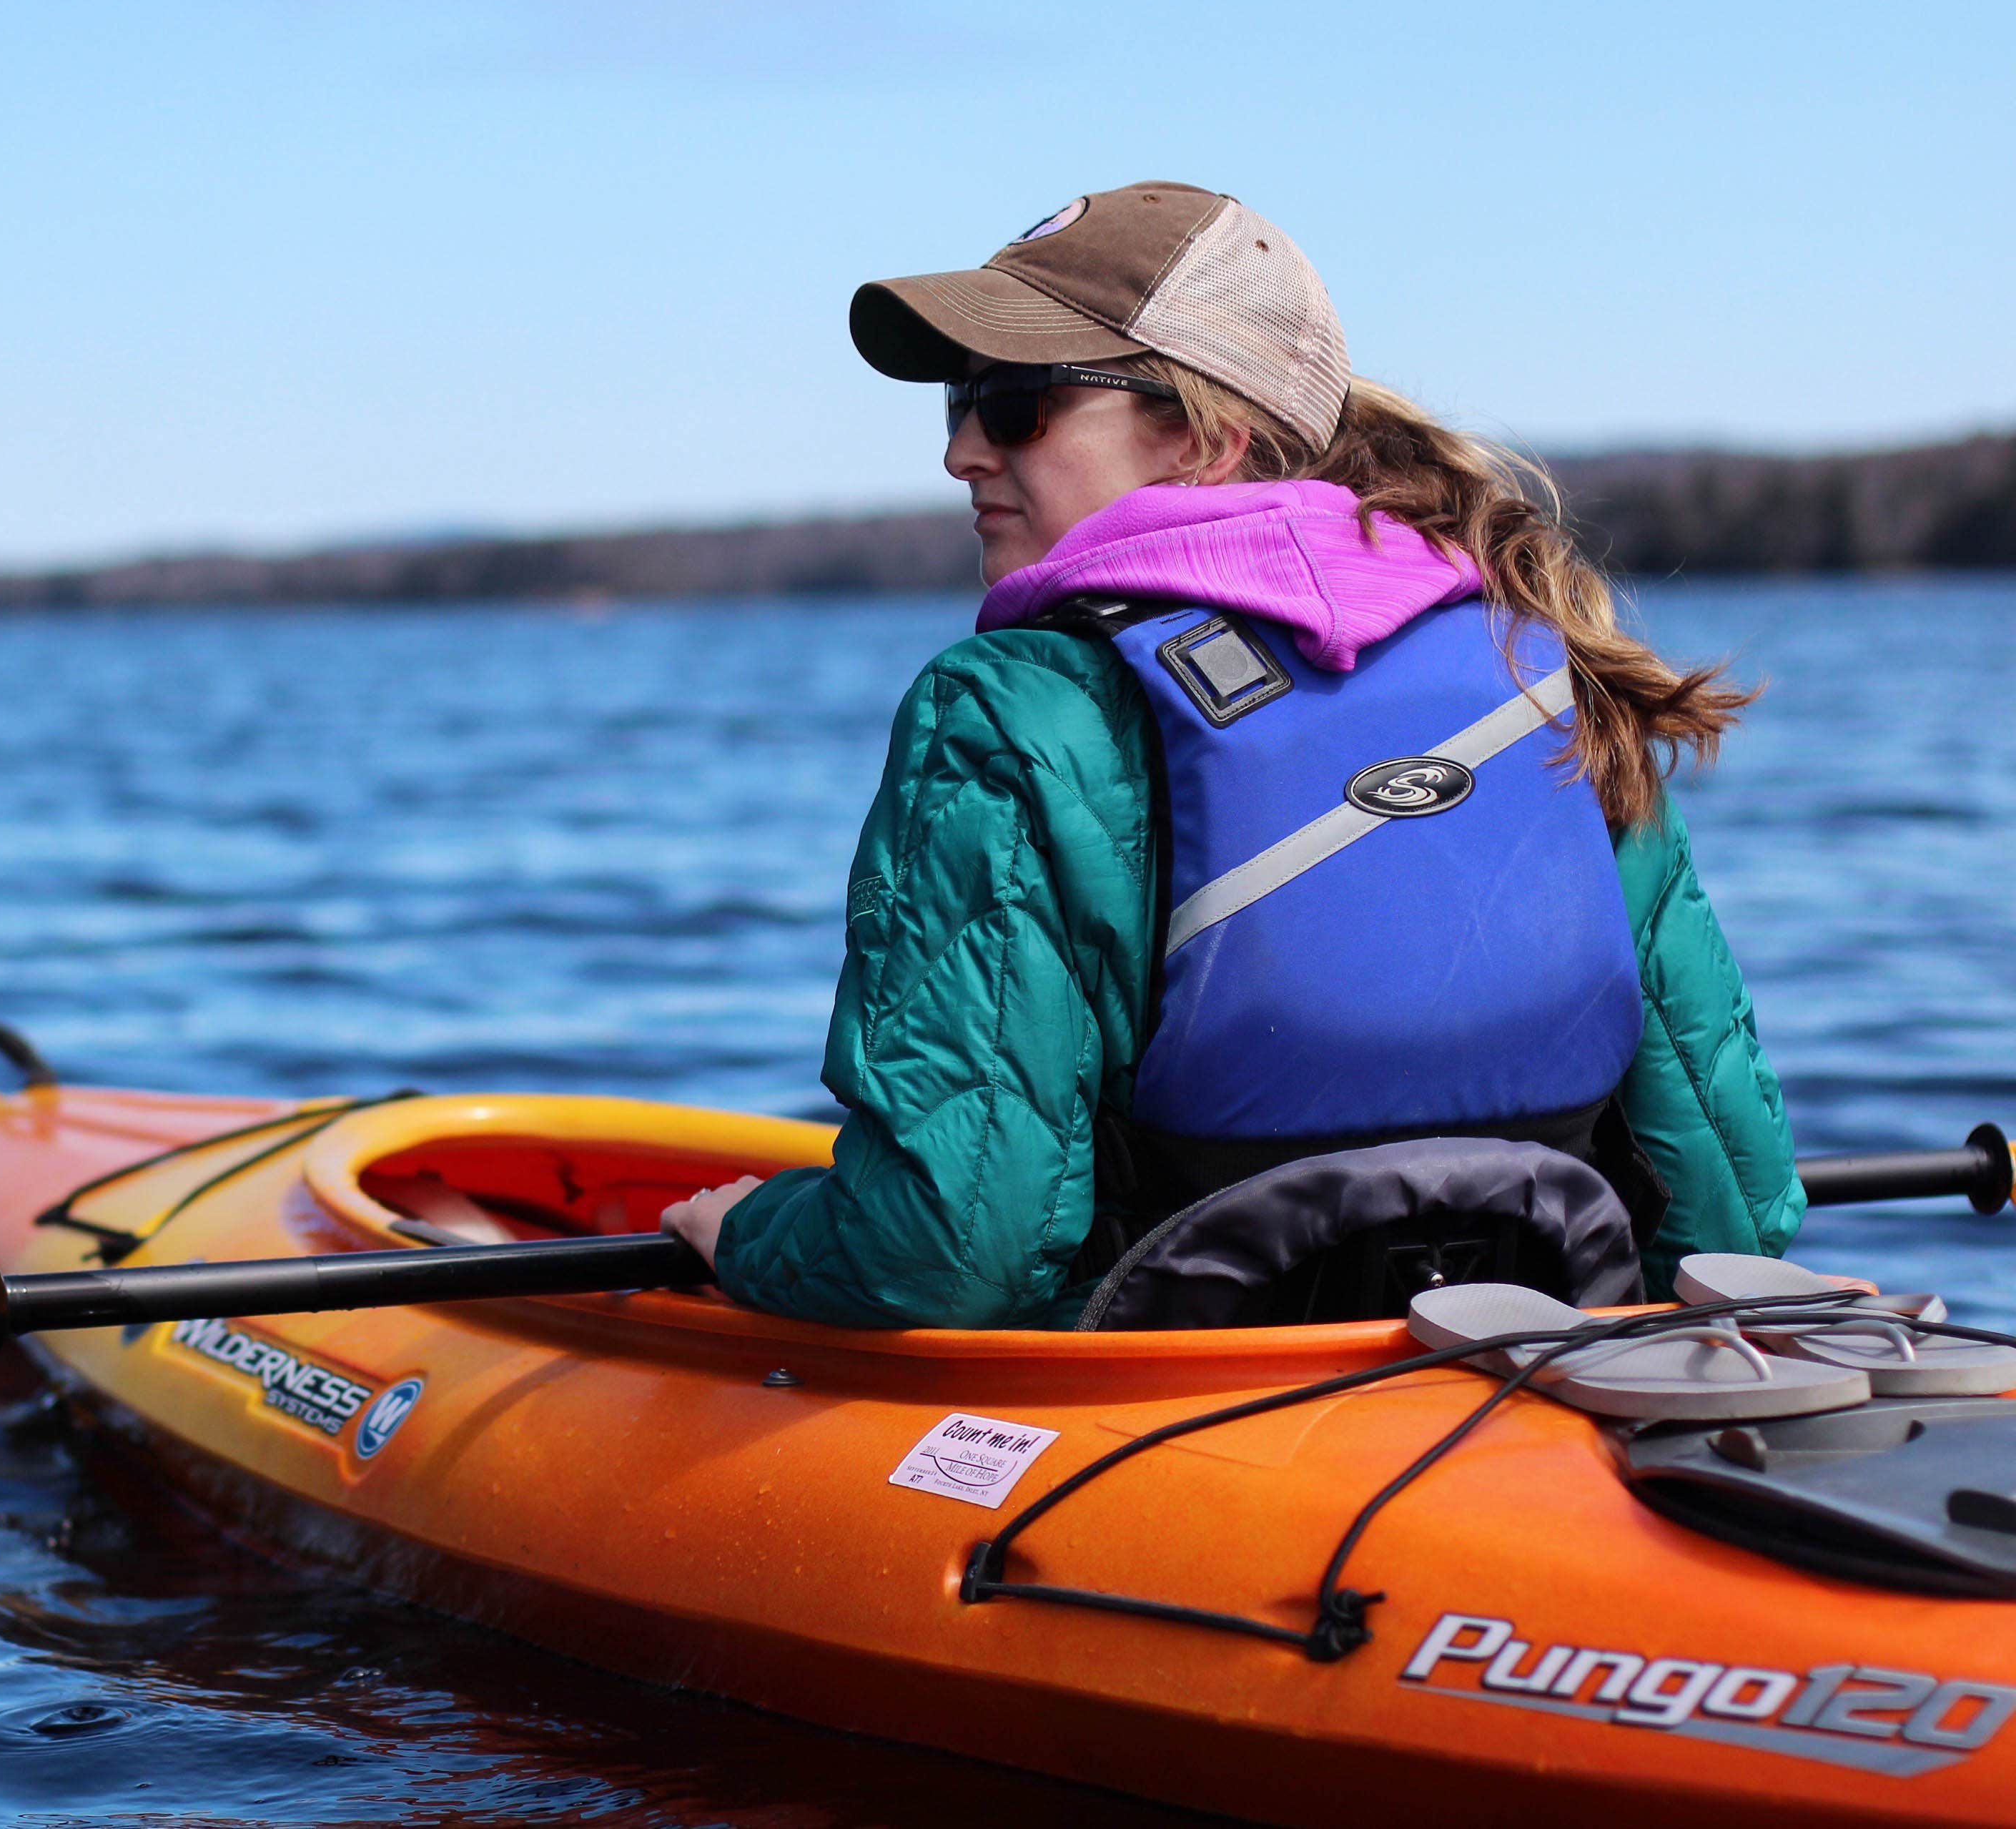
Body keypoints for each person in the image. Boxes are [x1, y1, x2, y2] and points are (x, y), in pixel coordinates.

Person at [659, 180, 1797, 1328]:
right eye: (959, 402)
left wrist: (748, 1235)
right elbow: (1732, 1207)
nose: (961, 451)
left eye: (1014, 405)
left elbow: (950, 1252)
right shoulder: (1542, 670)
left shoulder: (1013, 710)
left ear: (1208, 436)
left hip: (1170, 1403)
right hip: (1517, 1364)